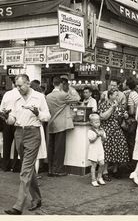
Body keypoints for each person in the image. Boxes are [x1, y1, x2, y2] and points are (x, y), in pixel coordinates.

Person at [4, 74, 51, 215]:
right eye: (16, 86)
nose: (17, 88)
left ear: (28, 83)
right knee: (29, 169)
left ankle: (18, 206)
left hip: (33, 133)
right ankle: (37, 198)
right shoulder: (15, 97)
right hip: (19, 132)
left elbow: (47, 116)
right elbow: (12, 120)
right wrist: (7, 117)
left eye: (20, 86)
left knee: (25, 170)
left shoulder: (39, 97)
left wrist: (37, 113)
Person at [46, 77, 80, 177]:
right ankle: (58, 170)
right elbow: (77, 98)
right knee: (59, 149)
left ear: (53, 84)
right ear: (61, 84)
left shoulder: (48, 96)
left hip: (51, 124)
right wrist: (71, 88)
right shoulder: (63, 95)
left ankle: (50, 169)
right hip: (61, 124)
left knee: (51, 148)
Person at [98, 88, 129, 181]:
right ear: (110, 95)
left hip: (117, 130)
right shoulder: (103, 105)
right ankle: (105, 172)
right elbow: (103, 117)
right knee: (107, 151)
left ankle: (115, 170)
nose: (117, 96)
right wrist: (112, 108)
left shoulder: (118, 105)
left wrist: (125, 114)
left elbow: (124, 113)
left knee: (118, 150)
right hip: (107, 130)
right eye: (115, 95)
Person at [0, 80, 20, 172]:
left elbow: (1, 108)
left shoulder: (7, 94)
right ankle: (15, 166)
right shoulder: (21, 94)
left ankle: (5, 165)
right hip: (18, 120)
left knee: (6, 144)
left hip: (7, 120)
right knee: (17, 145)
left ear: (12, 84)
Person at [124, 77, 138, 170]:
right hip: (137, 120)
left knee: (131, 143)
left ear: (127, 85)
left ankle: (132, 164)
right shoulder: (135, 94)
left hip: (133, 121)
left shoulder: (130, 95)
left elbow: (131, 111)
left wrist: (126, 112)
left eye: (124, 83)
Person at [88, 113, 106, 187]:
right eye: (96, 122)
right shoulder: (90, 131)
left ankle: (99, 177)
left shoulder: (101, 130)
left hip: (100, 148)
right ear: (91, 123)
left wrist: (102, 136)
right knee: (94, 165)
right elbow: (91, 141)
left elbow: (104, 139)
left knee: (102, 163)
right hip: (93, 149)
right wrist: (97, 136)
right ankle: (93, 179)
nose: (98, 124)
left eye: (98, 122)